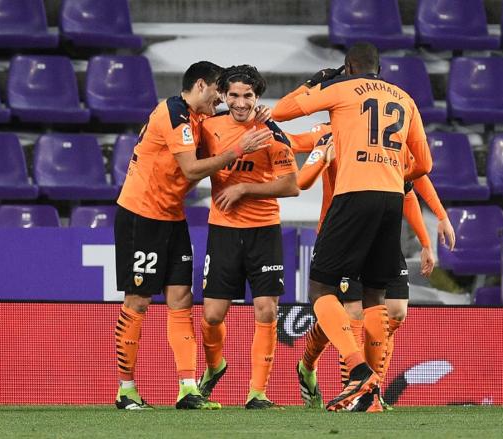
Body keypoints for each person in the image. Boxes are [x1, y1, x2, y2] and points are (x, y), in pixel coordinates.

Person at [272, 42, 433, 411]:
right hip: (391, 199)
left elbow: (281, 112)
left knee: (320, 288)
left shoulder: (340, 88)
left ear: (347, 66)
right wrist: (391, 171)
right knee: (376, 296)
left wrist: (317, 81)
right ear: (379, 67)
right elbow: (424, 163)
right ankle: (371, 398)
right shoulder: (404, 98)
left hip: (353, 196)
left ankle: (358, 371)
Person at [114, 61, 273, 410]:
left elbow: (223, 137)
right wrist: (237, 150)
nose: (220, 102)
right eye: (219, 94)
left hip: (172, 216)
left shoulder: (198, 118)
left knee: (181, 299)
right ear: (202, 85)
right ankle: (126, 390)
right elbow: (191, 168)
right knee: (137, 301)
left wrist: (255, 122)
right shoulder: (172, 112)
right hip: (141, 215)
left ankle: (188, 389)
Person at [288, 123, 455, 410]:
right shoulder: (329, 132)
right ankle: (358, 392)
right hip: (342, 234)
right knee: (352, 313)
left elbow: (411, 183)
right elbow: (292, 143)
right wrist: (259, 125)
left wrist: (430, 234)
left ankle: (351, 382)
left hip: (381, 232)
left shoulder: (386, 139)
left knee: (396, 313)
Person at [195, 65, 299, 409]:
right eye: (235, 95)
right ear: (223, 95)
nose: (241, 103)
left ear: (258, 97)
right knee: (211, 315)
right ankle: (215, 366)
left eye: (248, 96)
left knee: (267, 310)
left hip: (264, 231)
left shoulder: (271, 132)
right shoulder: (208, 127)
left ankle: (258, 392)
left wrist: (243, 189)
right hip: (223, 231)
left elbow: (291, 185)